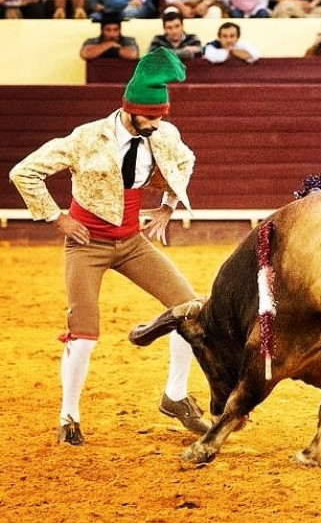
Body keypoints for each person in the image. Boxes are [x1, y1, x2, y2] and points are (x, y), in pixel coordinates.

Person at [9, 48, 211, 445]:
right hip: (86, 243)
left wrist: (168, 207)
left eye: (161, 116)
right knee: (84, 334)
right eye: (151, 117)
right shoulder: (86, 138)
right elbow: (24, 172)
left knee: (191, 312)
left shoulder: (165, 134)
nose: (158, 124)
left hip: (132, 240)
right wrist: (58, 218)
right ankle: (69, 415)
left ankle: (175, 395)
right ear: (131, 110)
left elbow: (185, 161)